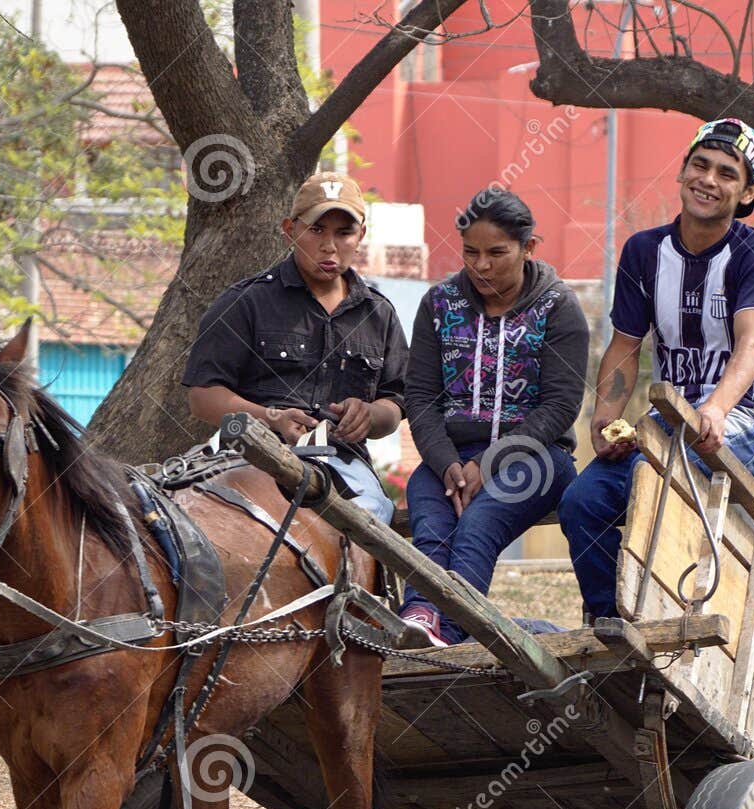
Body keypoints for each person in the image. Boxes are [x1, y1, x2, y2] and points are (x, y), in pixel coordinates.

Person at [559, 117, 754, 624]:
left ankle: (657, 621)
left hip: (742, 421)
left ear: (748, 191)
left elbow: (752, 345)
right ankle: (608, 627)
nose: (709, 180)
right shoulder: (644, 252)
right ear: (683, 171)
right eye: (700, 165)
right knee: (582, 500)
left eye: (727, 173)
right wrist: (604, 418)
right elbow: (625, 345)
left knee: (654, 477)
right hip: (668, 424)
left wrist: (716, 407)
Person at [399, 190, 588, 646]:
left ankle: (456, 630)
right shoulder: (438, 304)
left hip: (537, 457)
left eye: (496, 253)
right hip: (446, 457)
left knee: (478, 525)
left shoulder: (559, 307)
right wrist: (448, 464)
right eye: (470, 252)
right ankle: (420, 618)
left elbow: (560, 406)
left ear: (529, 248)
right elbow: (421, 399)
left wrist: (488, 463)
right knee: (432, 525)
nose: (481, 266)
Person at [182, 172, 407, 523]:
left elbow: (394, 404)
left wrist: (369, 415)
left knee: (370, 522)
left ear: (360, 236)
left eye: (343, 232)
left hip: (344, 466)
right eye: (316, 230)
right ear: (290, 230)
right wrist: (271, 418)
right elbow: (203, 397)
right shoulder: (244, 302)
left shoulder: (379, 314)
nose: (330, 245)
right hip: (248, 456)